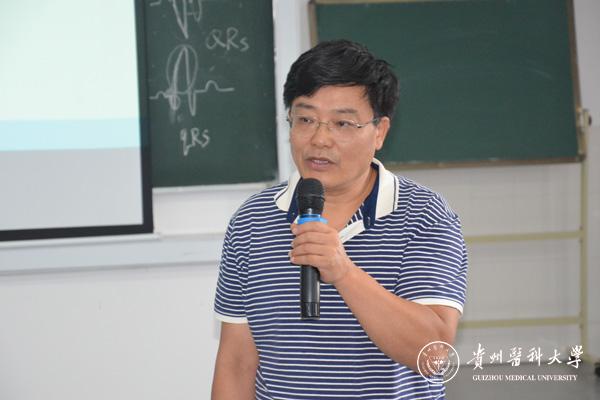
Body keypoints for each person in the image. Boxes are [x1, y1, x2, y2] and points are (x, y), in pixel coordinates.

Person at [211, 39, 468, 399]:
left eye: (342, 123)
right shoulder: (253, 221)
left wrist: (343, 272)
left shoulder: (426, 216)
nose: (319, 139)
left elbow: (433, 355)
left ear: (379, 132)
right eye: (305, 119)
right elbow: (237, 363)